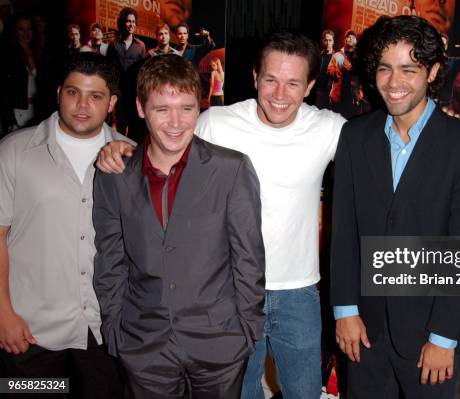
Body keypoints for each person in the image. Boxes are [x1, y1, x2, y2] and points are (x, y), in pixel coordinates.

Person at [96, 31, 346, 399]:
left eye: (293, 83)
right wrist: (121, 147)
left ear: (309, 86)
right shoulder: (217, 122)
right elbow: (166, 134)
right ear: (255, 78)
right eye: (271, 80)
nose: (280, 94)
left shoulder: (329, 128)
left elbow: (380, 159)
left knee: (305, 393)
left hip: (298, 290)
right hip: (227, 293)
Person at [331, 15, 460, 399]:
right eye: (385, 69)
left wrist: (443, 337)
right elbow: (344, 232)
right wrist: (344, 311)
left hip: (428, 337)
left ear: (433, 71)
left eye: (409, 68)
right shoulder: (355, 136)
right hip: (363, 329)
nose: (394, 82)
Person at [93, 54, 265, 399]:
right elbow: (110, 261)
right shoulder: (115, 175)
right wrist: (115, 331)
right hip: (144, 347)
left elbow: (249, 260)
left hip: (220, 344)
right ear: (141, 108)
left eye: (186, 108)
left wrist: (246, 331)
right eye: (162, 109)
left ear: (199, 107)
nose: (176, 122)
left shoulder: (230, 169)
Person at [0, 52, 128, 399]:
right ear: (58, 92)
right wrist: (2, 313)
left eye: (96, 96)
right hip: (30, 333)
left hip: (105, 332)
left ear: (112, 102)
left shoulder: (132, 156)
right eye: (73, 92)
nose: (82, 105)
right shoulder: (13, 151)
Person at [106, 7, 146, 136]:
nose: (131, 24)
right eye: (128, 21)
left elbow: (143, 70)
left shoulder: (140, 46)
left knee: (134, 126)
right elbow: (109, 68)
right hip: (118, 91)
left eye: (133, 22)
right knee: (120, 125)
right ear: (123, 22)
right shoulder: (113, 44)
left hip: (133, 92)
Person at [0, 14, 40, 134]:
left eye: (29, 29)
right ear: (14, 31)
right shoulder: (8, 55)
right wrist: (10, 121)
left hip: (37, 111)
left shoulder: (38, 52)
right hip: (18, 112)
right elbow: (3, 91)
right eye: (21, 29)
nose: (26, 33)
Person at [315, 29, 335, 109]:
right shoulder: (319, 56)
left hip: (331, 93)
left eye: (330, 40)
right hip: (319, 91)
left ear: (333, 41)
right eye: (326, 40)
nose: (328, 43)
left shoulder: (337, 57)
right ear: (323, 41)